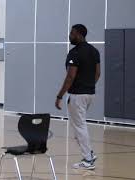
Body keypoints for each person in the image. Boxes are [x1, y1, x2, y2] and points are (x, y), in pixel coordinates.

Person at [55, 24, 100, 170]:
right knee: (79, 126)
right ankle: (89, 154)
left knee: (80, 127)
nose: (70, 35)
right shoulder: (94, 51)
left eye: (72, 33)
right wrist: (88, 85)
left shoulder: (75, 53)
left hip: (78, 96)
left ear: (80, 35)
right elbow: (97, 73)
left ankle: (88, 160)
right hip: (90, 94)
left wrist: (59, 96)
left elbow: (70, 77)